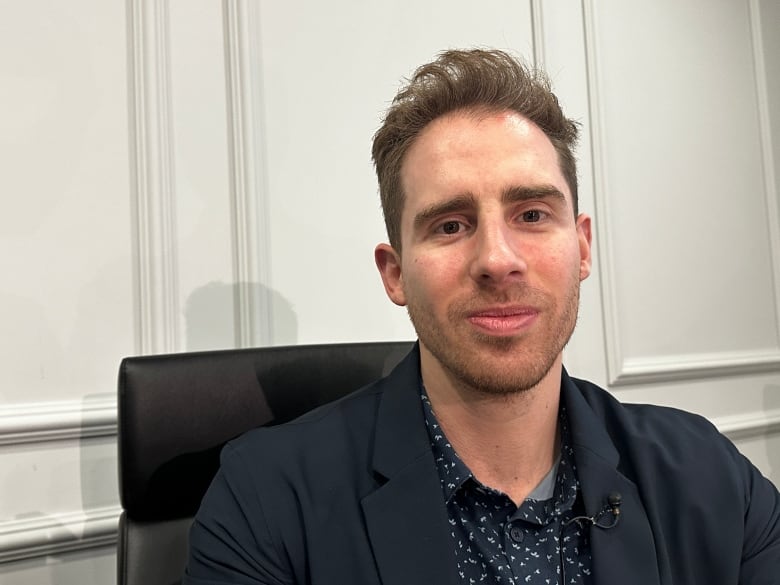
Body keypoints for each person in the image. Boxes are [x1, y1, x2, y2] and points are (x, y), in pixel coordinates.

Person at [183, 49, 780, 584]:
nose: (497, 260)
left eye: (532, 214)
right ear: (395, 275)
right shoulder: (265, 501)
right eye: (450, 225)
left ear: (583, 248)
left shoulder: (710, 477)